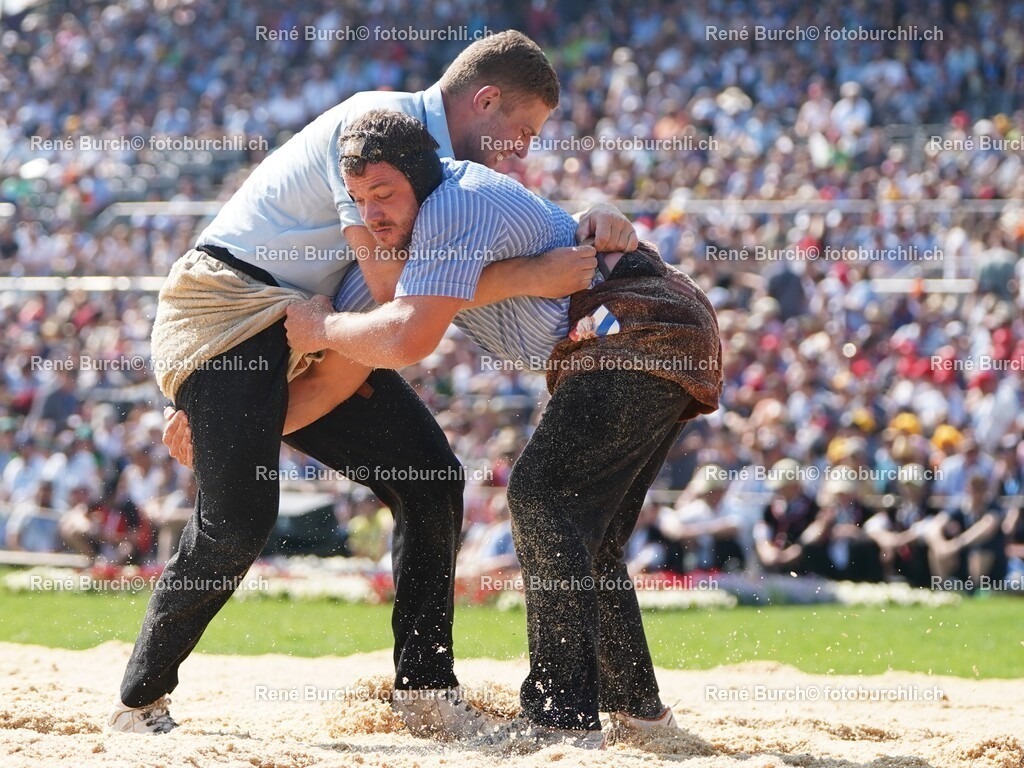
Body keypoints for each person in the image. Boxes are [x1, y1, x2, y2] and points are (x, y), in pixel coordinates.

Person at [111, 31, 635, 738]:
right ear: (483, 101)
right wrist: (529, 278)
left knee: (429, 480)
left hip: (313, 321)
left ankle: (424, 690)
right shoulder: (376, 133)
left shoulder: (440, 168)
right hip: (227, 314)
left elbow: (499, 232)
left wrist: (596, 208)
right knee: (239, 520)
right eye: (521, 133)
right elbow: (400, 304)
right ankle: (138, 702)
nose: (522, 153)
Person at [274, 109, 722, 751]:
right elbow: (401, 293)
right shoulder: (436, 214)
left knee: (541, 496)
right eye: (358, 200)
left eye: (384, 195)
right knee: (585, 537)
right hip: (642, 329)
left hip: (635, 325)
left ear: (421, 180)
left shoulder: (450, 207)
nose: (372, 214)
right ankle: (639, 715)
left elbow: (407, 332)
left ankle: (560, 715)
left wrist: (318, 330)